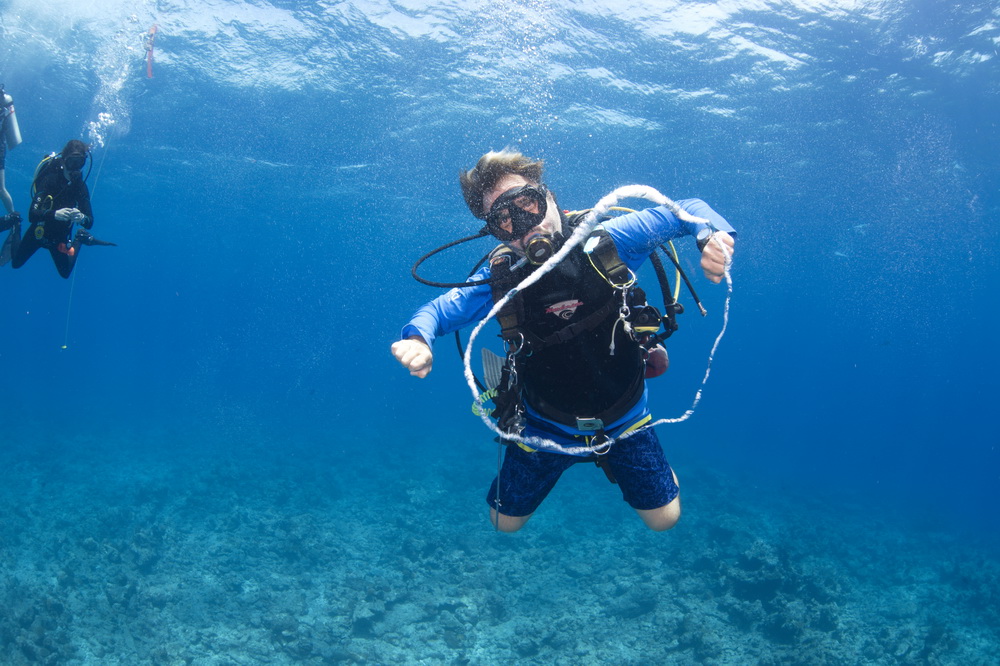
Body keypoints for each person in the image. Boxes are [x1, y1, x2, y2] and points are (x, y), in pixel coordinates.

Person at [392, 149, 736, 533]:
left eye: (528, 204)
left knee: (664, 520)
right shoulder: (502, 279)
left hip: (624, 416)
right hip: (544, 425)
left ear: (550, 197)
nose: (524, 226)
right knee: (503, 522)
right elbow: (435, 313)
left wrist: (709, 235)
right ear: (493, 232)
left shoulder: (608, 243)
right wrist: (418, 339)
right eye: (505, 221)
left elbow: (686, 208)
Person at [7, 139, 114, 277]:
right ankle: (16, 225)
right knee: (16, 263)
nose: (75, 169)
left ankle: (80, 238)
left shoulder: (80, 187)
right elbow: (32, 215)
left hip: (59, 236)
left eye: (80, 163)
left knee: (65, 273)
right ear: (63, 161)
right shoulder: (50, 180)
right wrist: (54, 214)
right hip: (40, 230)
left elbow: (90, 222)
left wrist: (82, 218)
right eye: (71, 162)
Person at [1, 84, 22, 263]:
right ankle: (14, 220)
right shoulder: (5, 99)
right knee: (1, 189)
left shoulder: (4, 100)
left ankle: (14, 220)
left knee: (1, 189)